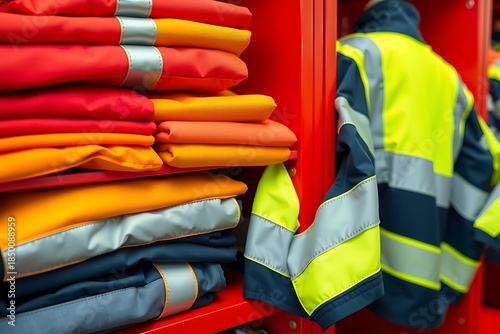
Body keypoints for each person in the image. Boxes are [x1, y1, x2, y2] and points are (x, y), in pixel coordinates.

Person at [337, 0, 500, 329]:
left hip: (350, 270)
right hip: (421, 274)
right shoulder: (449, 77)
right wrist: (454, 276)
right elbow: (483, 165)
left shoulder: (352, 52)